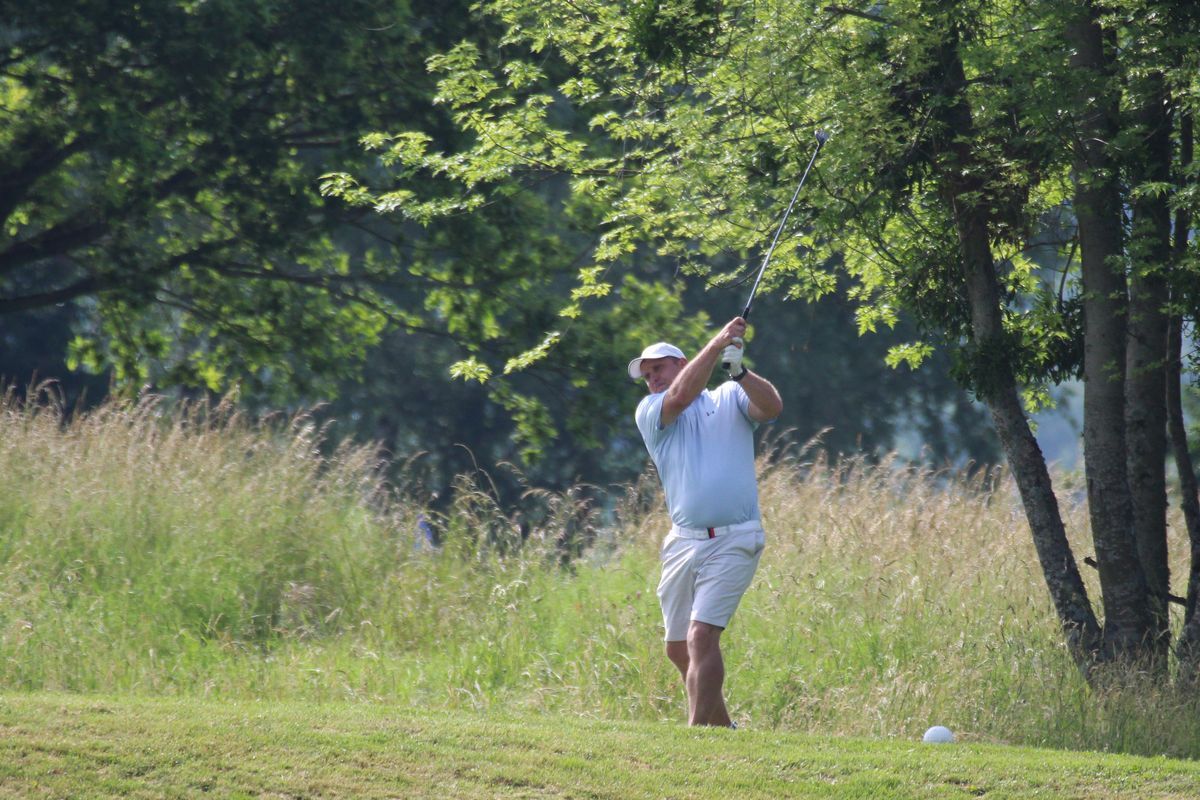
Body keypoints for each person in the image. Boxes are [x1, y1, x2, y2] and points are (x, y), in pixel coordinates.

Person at [628, 317, 783, 727]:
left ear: (681, 363)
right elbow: (680, 396)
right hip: (683, 541)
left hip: (736, 536)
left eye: (658, 369)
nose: (652, 379)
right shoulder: (652, 411)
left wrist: (740, 372)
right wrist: (716, 345)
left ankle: (696, 736)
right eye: (646, 375)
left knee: (701, 636)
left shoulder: (729, 396)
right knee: (678, 648)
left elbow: (771, 408)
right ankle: (722, 729)